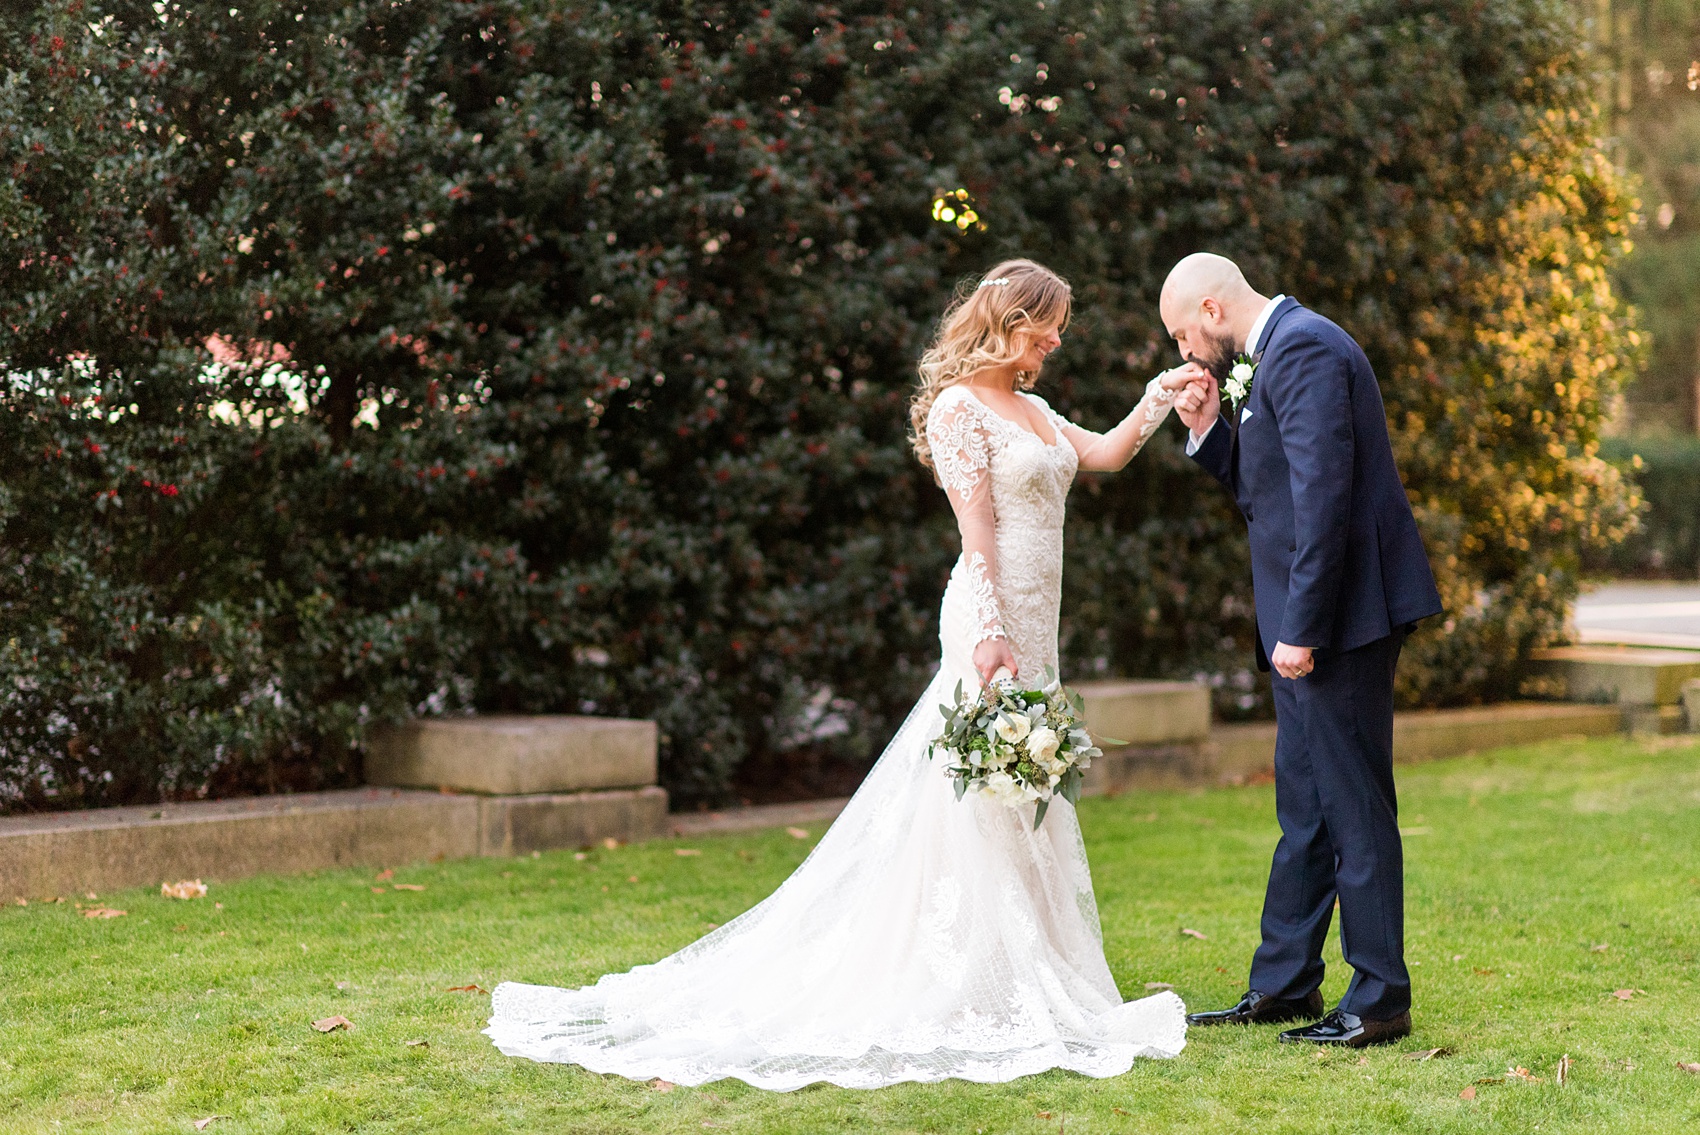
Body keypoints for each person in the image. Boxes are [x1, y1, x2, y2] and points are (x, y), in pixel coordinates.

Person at [483, 258, 1200, 1090]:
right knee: (975, 784)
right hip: (990, 620)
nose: (1057, 337)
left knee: (1018, 788)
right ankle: (963, 971)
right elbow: (977, 538)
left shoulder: (1035, 409)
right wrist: (991, 636)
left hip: (1041, 623)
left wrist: (1159, 397)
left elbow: (1104, 454)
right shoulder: (961, 409)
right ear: (1010, 319)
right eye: (1050, 323)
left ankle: (1016, 962)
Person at [1165, 253, 1443, 1048]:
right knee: (1306, 807)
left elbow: (1326, 497)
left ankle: (1381, 997)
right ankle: (1285, 983)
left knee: (1353, 805)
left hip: (1341, 621)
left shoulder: (1307, 347)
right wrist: (1209, 432)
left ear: (1212, 308)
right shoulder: (1273, 353)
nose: (1186, 351)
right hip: (1313, 619)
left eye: (1184, 333)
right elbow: (1272, 493)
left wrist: (1302, 627)